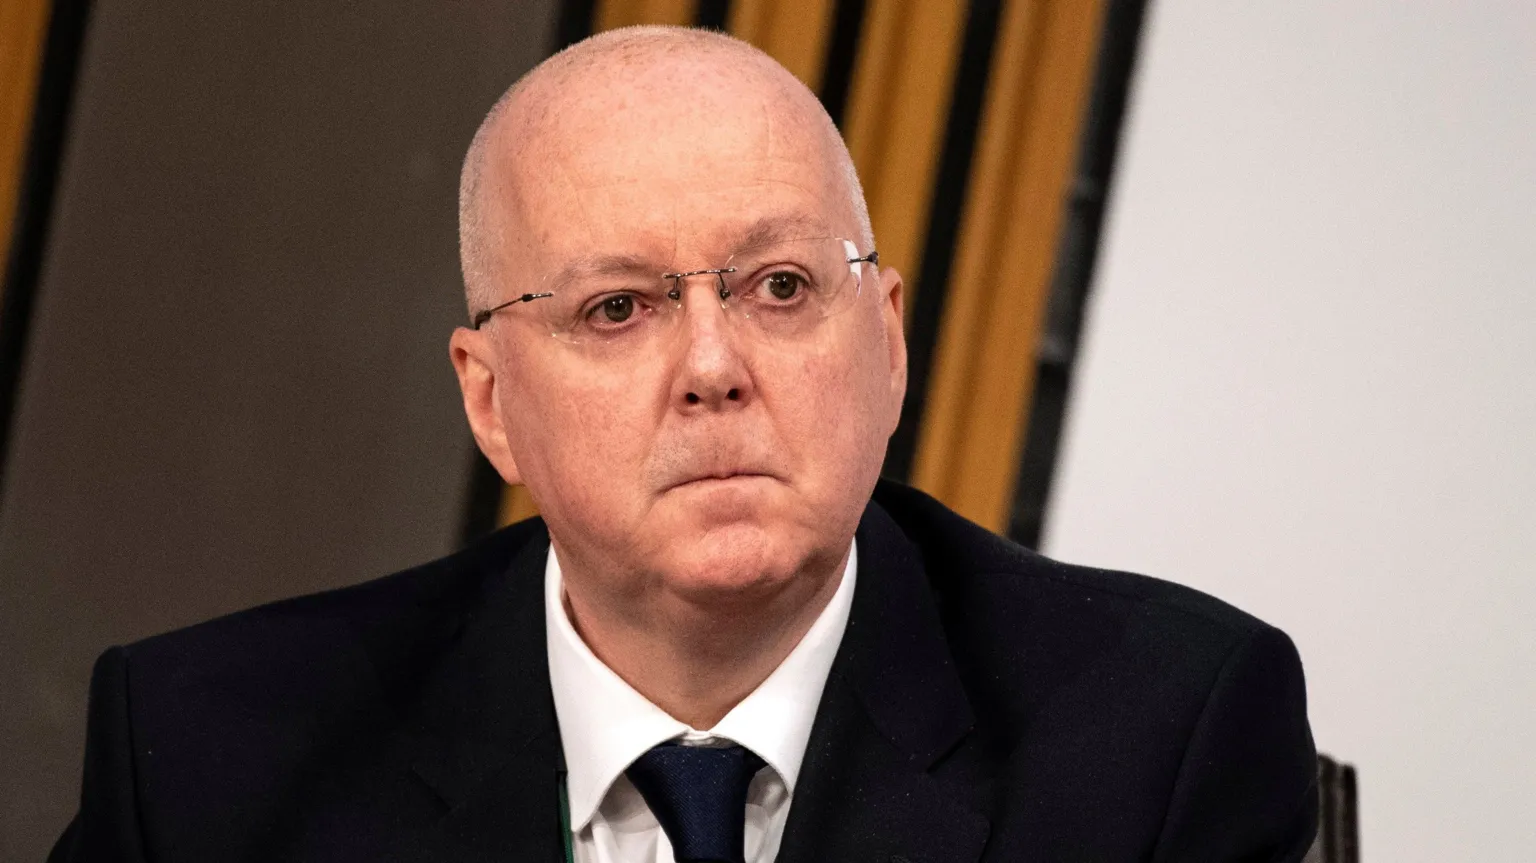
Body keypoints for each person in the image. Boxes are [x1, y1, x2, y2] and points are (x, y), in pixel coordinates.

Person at [51, 25, 1317, 863]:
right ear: (490, 402)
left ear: (887, 342)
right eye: (618, 307)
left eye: (777, 287)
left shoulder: (1160, 737)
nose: (714, 367)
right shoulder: (210, 762)